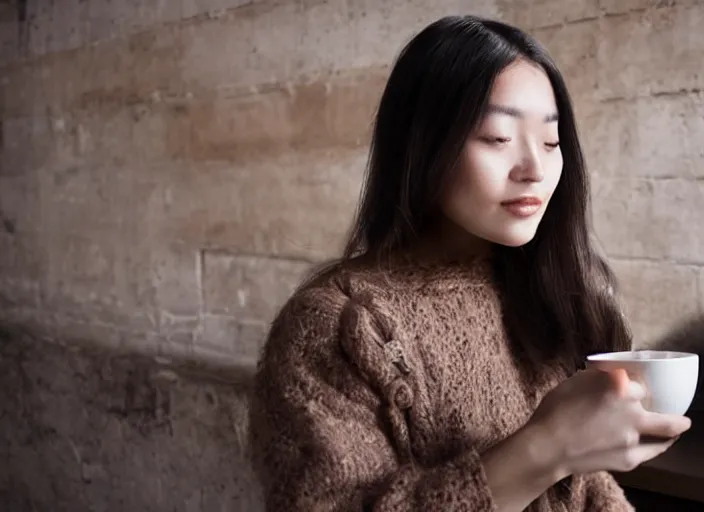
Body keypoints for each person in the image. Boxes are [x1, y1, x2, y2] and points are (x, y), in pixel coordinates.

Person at [248, 15, 692, 511]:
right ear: (423, 144)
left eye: (550, 142)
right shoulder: (337, 327)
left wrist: (578, 450)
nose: (535, 169)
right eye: (498, 138)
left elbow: (588, 493)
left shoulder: (541, 294)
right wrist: (545, 448)